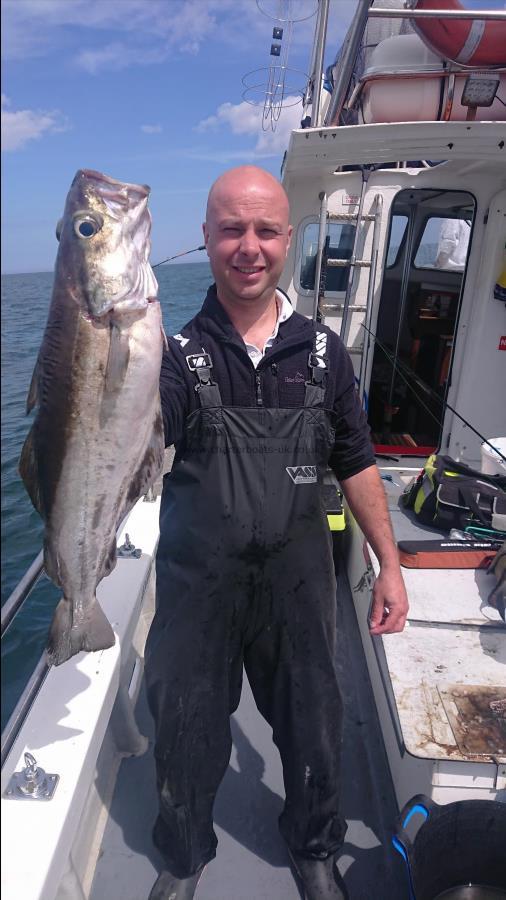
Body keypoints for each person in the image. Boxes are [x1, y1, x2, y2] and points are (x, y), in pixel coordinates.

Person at [145, 165, 409, 900]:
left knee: (313, 724)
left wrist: (388, 563)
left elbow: (356, 461)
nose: (248, 246)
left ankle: (315, 848)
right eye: (232, 228)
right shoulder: (172, 357)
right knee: (185, 723)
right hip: (199, 583)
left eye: (265, 230)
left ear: (287, 239)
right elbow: (135, 437)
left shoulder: (325, 354)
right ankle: (184, 852)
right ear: (205, 238)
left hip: (298, 580)